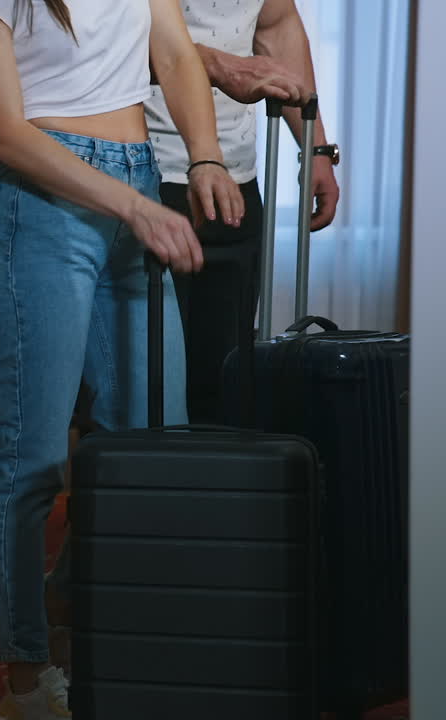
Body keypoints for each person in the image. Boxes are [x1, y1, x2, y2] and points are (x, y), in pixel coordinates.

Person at [0, 1, 242, 718]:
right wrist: (136, 209)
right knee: (31, 459)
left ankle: (72, 623)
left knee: (156, 446)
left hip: (136, 184)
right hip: (42, 212)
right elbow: (6, 133)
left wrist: (204, 154)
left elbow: (176, 53)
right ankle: (27, 678)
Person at [145, 0, 342, 423]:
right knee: (149, 395)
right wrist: (219, 65)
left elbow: (278, 24)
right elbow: (105, 34)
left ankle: (218, 488)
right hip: (146, 173)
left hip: (237, 179)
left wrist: (316, 147)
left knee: (224, 386)